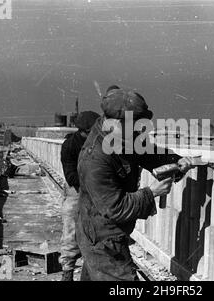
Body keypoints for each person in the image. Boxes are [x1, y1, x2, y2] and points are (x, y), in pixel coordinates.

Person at [76, 86, 195, 281]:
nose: (140, 130)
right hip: (102, 239)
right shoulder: (95, 159)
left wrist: (175, 161)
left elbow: (146, 151)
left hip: (104, 233)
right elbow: (115, 207)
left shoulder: (119, 136)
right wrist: (152, 192)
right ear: (116, 122)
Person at [59, 110, 100, 281]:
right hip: (77, 191)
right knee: (70, 231)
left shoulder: (102, 143)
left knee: (97, 233)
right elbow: (71, 177)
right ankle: (67, 271)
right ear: (82, 131)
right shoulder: (69, 145)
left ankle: (89, 271)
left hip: (98, 192)